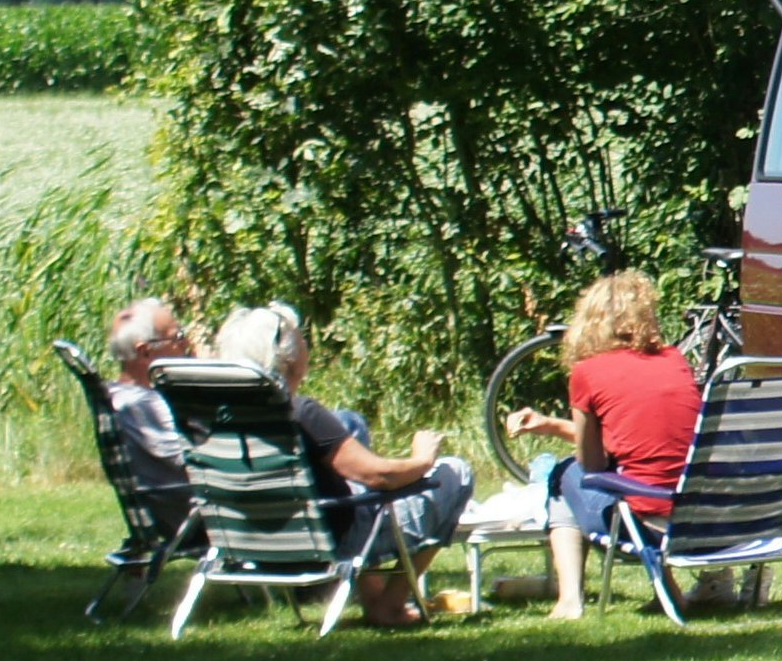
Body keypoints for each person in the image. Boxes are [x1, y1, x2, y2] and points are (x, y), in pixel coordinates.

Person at [207, 301, 472, 630]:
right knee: (456, 473)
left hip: (253, 545)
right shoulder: (301, 413)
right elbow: (381, 476)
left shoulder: (215, 418)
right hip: (330, 542)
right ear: (288, 358)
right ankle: (390, 605)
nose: (306, 344)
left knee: (349, 424)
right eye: (301, 338)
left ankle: (373, 598)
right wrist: (423, 458)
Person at [500, 270, 700, 620]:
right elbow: (636, 441)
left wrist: (554, 430)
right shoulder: (673, 360)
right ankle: (666, 592)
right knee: (641, 479)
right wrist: (551, 425)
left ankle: (569, 600)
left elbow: (592, 463)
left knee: (563, 473)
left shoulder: (588, 373)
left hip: (649, 525)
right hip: (706, 519)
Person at [102, 296, 195, 503]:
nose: (187, 344)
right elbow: (201, 460)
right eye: (178, 337)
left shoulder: (116, 396)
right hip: (195, 512)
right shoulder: (144, 407)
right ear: (145, 351)